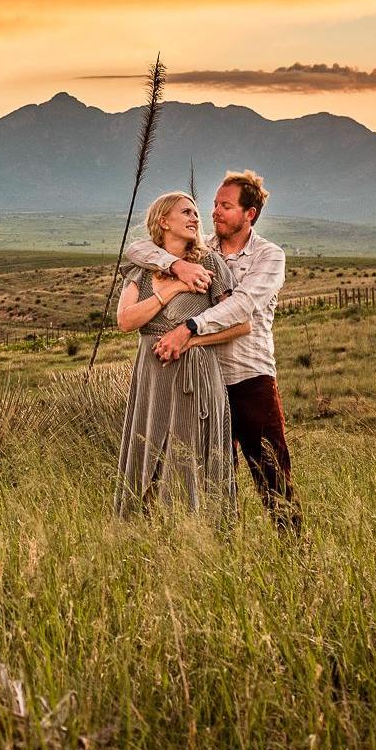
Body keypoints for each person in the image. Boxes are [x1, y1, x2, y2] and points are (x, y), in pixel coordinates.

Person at [125, 169, 300, 531]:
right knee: (213, 474)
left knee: (270, 471)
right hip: (205, 381)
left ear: (249, 214)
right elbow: (138, 247)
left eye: (226, 206)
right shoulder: (202, 252)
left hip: (249, 378)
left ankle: (296, 553)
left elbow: (241, 308)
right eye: (215, 204)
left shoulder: (269, 256)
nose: (215, 211)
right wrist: (176, 265)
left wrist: (187, 331)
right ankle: (222, 549)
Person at [112, 191, 249, 518]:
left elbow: (241, 324)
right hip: (152, 375)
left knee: (192, 457)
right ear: (163, 221)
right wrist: (172, 287)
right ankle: (143, 535)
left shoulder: (209, 263)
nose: (195, 218)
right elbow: (125, 320)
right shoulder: (142, 270)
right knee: (149, 453)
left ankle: (201, 536)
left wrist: (189, 339)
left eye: (195, 213)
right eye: (185, 212)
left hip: (196, 374)